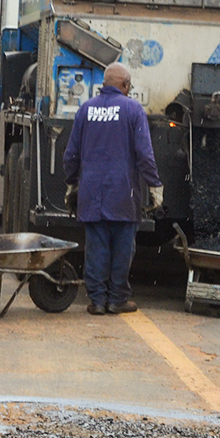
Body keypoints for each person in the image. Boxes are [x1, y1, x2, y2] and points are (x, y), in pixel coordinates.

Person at [62, 62, 163, 315]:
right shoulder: (133, 109)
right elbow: (144, 154)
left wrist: (72, 183)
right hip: (123, 193)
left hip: (92, 191)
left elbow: (71, 154)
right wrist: (154, 184)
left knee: (96, 247)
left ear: (103, 85)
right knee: (122, 249)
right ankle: (117, 299)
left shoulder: (86, 109)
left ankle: (97, 301)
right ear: (126, 85)